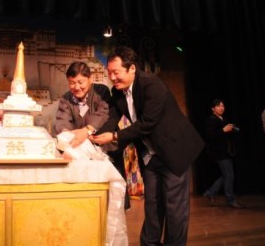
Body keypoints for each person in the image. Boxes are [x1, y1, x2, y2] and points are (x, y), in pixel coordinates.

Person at [91, 46, 204, 246]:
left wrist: (115, 136)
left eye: (116, 72)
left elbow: (147, 123)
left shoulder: (151, 84)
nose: (112, 78)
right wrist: (95, 134)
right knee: (152, 204)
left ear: (132, 68)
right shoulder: (117, 93)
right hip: (150, 156)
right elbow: (112, 119)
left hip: (174, 151)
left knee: (174, 207)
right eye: (109, 73)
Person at [54, 61, 130, 210]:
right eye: (72, 83)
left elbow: (103, 113)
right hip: (82, 152)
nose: (76, 87)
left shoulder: (101, 91)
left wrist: (87, 130)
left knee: (115, 195)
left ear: (90, 79)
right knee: (89, 200)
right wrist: (66, 137)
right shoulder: (66, 99)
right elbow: (63, 121)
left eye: (80, 82)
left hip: (106, 147)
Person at [202, 99, 245, 209]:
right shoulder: (211, 120)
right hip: (218, 152)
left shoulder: (223, 119)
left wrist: (232, 129)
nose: (221, 108)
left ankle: (210, 192)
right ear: (213, 109)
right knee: (229, 174)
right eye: (218, 106)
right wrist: (223, 130)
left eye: (223, 106)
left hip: (226, 151)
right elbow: (209, 136)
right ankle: (231, 200)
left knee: (226, 174)